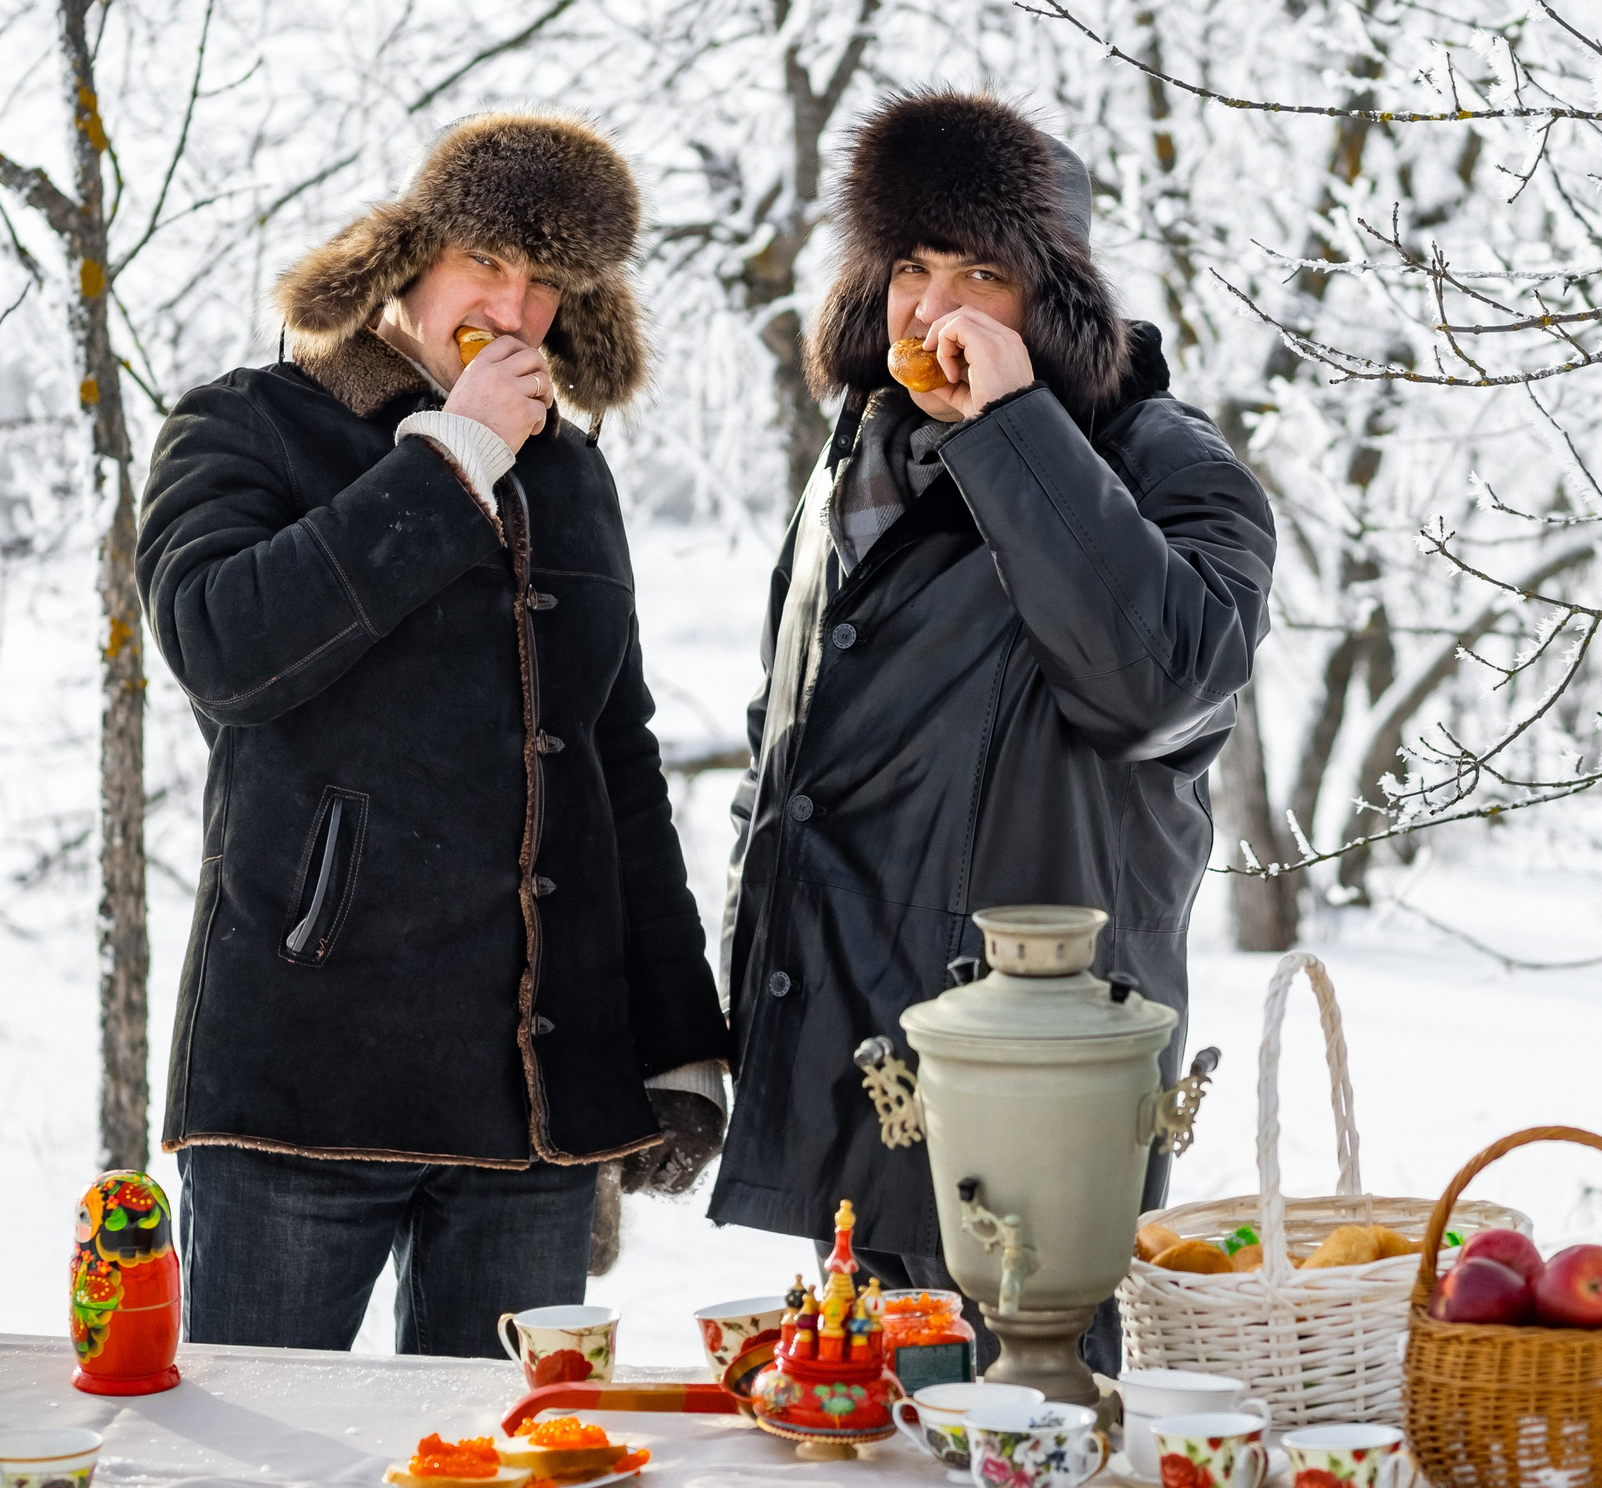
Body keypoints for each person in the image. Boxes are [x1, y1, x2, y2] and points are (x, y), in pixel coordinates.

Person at [138, 111, 730, 1357]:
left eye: (546, 285)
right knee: (265, 1449)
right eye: (487, 267)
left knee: (504, 1453)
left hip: (532, 1110)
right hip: (304, 1081)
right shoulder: (248, 424)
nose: (514, 312)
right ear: (407, 260)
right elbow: (219, 647)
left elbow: (614, 763)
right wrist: (447, 460)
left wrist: (675, 1038)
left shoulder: (571, 475)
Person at [706, 91, 1277, 1371]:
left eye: (981, 271)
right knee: (870, 1447)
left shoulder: (1169, 465)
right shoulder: (856, 455)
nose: (932, 307)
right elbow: (780, 751)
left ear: (1056, 299)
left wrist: (1015, 430)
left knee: (1028, 1439)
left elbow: (1159, 685)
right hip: (854, 1063)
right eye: (908, 267)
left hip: (1033, 1101)